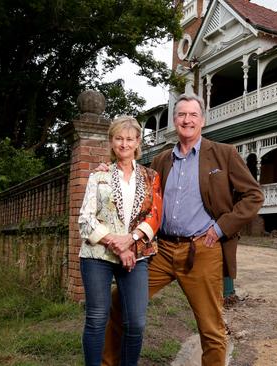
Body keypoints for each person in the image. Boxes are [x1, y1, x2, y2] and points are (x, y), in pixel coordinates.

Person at [102, 93, 264, 365]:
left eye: (192, 115)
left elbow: (253, 196)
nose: (186, 120)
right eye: (181, 115)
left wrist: (220, 228)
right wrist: (106, 171)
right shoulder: (162, 160)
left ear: (202, 120)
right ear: (174, 121)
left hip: (202, 250)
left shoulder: (224, 154)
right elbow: (137, 190)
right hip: (160, 251)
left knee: (211, 328)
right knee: (119, 302)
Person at [78, 115, 162, 366]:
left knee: (135, 321)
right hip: (98, 255)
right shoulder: (98, 176)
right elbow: (86, 219)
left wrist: (132, 241)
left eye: (129, 139)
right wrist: (117, 243)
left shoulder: (151, 176)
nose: (124, 144)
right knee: (97, 317)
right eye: (119, 138)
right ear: (112, 142)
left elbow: (155, 215)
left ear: (138, 142)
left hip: (137, 254)